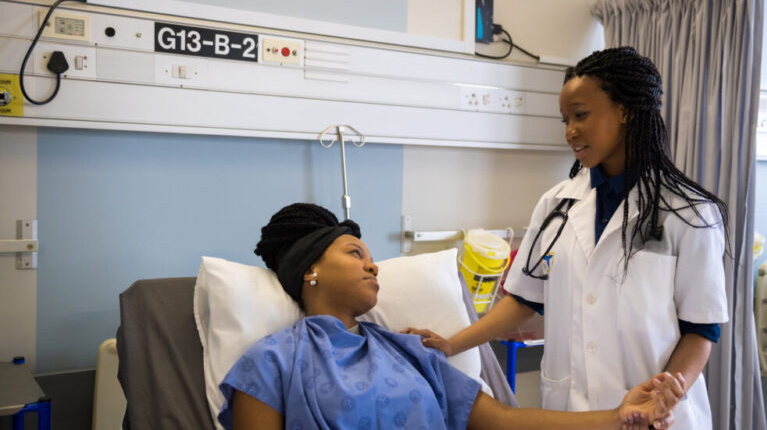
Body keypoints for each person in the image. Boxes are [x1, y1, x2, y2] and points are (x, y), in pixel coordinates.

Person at [404, 47, 729, 429]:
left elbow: (701, 329)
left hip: (657, 416)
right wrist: (452, 343)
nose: (570, 130)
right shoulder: (556, 205)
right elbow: (525, 299)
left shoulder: (689, 212)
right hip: (573, 412)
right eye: (565, 119)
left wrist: (665, 394)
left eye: (580, 115)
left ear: (624, 111)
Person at [217, 203, 686, 430]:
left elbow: (503, 421)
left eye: (371, 256)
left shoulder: (408, 351)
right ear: (310, 269)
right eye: (355, 253)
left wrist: (620, 415)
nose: (373, 264)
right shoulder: (270, 364)